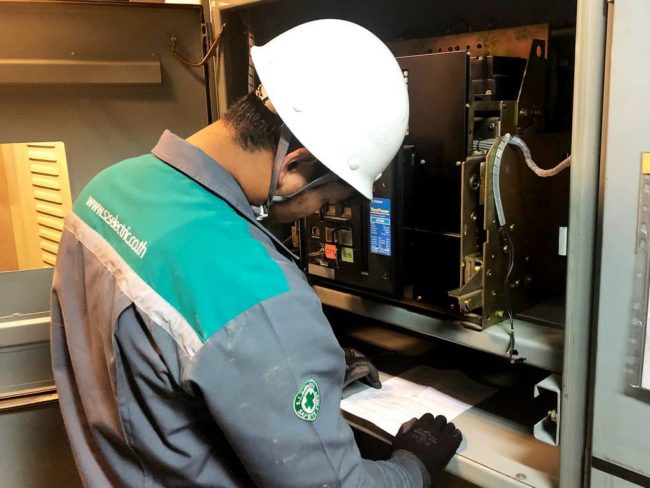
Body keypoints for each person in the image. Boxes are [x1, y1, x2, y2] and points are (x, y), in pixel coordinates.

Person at [51, 19, 462, 487]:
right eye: (328, 200)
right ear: (295, 164)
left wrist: (287, 370)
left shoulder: (107, 189)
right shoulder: (260, 295)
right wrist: (412, 466)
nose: (317, 212)